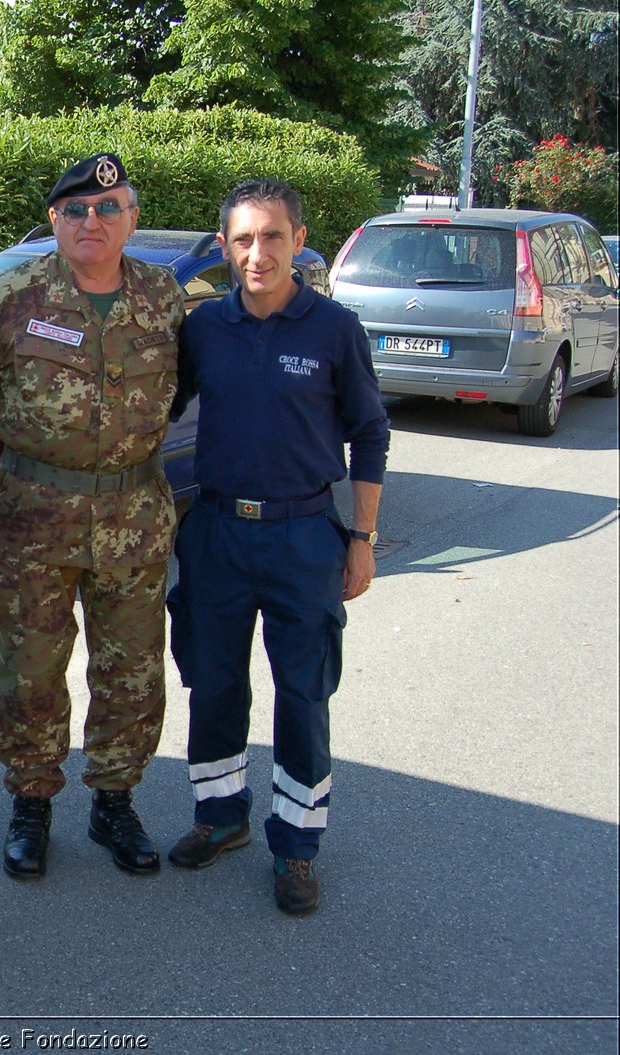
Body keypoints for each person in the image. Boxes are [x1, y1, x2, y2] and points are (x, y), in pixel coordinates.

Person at [0, 153, 183, 881]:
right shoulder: (9, 295)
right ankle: (31, 803)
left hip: (135, 514)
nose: (93, 221)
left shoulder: (163, 296)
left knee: (132, 670)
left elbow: (181, 391)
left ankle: (114, 800)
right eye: (76, 209)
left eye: (109, 208)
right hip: (33, 520)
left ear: (131, 219)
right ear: (54, 219)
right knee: (31, 669)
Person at [164, 178, 389, 916]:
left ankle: (296, 846)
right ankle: (220, 817)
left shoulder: (334, 329)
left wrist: (360, 537)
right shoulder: (202, 330)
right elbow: (154, 410)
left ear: (296, 240)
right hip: (217, 532)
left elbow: (370, 435)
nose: (256, 254)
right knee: (215, 683)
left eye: (271, 237)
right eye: (241, 239)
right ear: (225, 246)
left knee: (303, 694)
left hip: (303, 537)